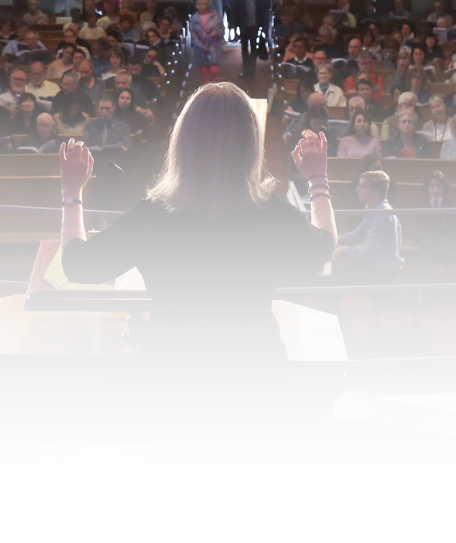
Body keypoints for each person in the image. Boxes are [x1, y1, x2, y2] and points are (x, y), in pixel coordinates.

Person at [57, 82, 338, 361]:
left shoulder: (152, 217)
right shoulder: (273, 215)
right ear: (250, 146)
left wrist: (71, 193)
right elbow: (323, 247)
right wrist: (317, 180)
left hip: (173, 368)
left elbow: (78, 265)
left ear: (183, 142)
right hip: (252, 370)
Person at [333, 170, 405, 281]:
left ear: (375, 192)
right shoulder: (373, 208)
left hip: (382, 271)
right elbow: (358, 234)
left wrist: (340, 250)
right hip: (374, 266)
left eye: (362, 187)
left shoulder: (382, 215)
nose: (357, 189)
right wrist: (334, 241)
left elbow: (371, 251)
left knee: (334, 280)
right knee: (335, 277)